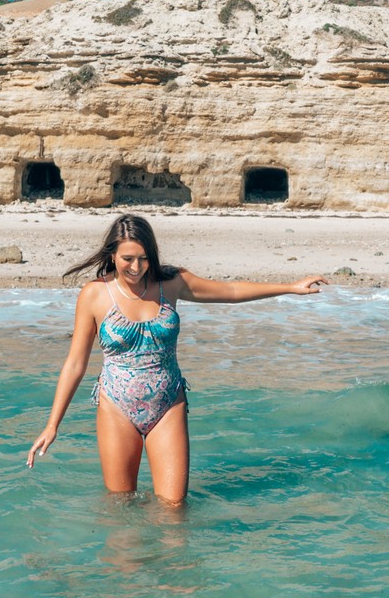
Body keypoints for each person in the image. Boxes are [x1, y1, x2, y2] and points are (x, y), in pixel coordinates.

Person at [27, 214, 326, 504]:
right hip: (117, 407)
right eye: (127, 259)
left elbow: (231, 291)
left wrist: (290, 287)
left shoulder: (171, 283)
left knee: (174, 509)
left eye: (143, 258)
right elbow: (76, 364)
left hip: (168, 404)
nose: (136, 267)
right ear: (112, 255)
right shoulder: (94, 295)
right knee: (121, 508)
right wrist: (53, 425)